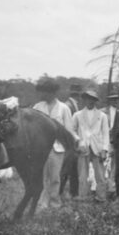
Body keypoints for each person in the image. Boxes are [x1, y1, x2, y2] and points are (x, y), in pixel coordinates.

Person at [33, 77, 77, 210]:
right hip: (40, 148)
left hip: (57, 148)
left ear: (52, 92)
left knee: (55, 177)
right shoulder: (37, 107)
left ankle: (54, 202)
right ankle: (41, 203)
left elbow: (69, 129)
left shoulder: (64, 108)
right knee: (41, 176)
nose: (42, 95)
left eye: (45, 92)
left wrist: (74, 144)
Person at [72, 89, 109, 203]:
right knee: (83, 175)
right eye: (88, 99)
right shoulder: (77, 115)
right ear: (84, 100)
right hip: (83, 147)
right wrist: (78, 141)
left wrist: (104, 149)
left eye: (93, 99)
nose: (90, 101)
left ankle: (101, 197)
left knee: (100, 176)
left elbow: (105, 133)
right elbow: (71, 130)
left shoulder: (102, 115)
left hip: (97, 148)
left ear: (95, 101)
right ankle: (83, 197)